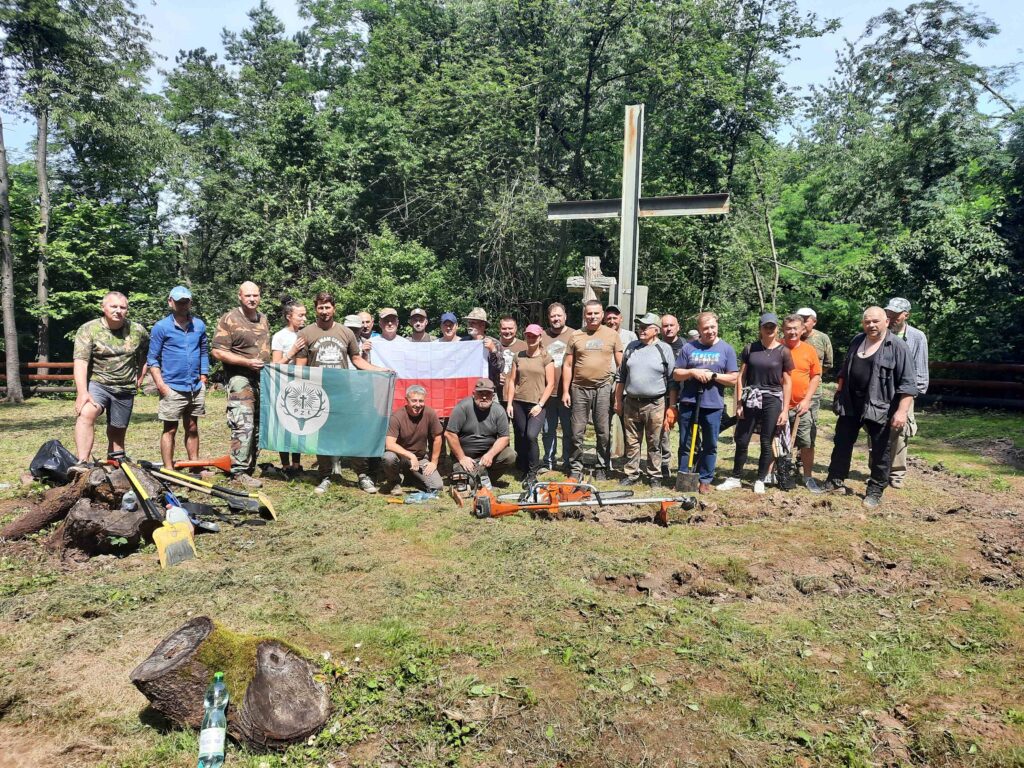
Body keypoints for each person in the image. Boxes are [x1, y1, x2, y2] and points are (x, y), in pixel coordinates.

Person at [296, 292, 390, 494]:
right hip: (318, 394)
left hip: (344, 393)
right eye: (320, 308)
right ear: (315, 309)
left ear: (334, 308)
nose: (324, 311)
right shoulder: (306, 333)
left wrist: (380, 370)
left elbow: (357, 360)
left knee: (351, 434)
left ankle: (362, 475)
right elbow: (300, 367)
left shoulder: (346, 333)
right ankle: (325, 476)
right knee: (323, 436)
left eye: (327, 307)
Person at [825, 306, 917, 508]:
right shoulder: (857, 340)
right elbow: (844, 371)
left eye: (875, 321)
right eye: (867, 321)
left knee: (880, 449)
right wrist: (839, 393)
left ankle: (875, 490)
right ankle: (835, 480)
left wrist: (901, 412)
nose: (871, 325)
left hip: (881, 406)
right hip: (850, 403)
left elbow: (909, 384)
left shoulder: (898, 347)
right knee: (841, 442)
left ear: (886, 322)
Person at [718, 313, 793, 494]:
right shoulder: (750, 348)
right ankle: (736, 477)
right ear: (760, 328)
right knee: (742, 439)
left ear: (777, 329)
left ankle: (760, 479)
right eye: (766, 326)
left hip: (772, 399)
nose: (769, 329)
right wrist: (738, 403)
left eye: (772, 326)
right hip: (751, 397)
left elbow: (788, 382)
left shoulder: (784, 352)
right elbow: (740, 378)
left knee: (766, 440)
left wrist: (785, 410)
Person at [72, 291, 149, 464]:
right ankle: (82, 462)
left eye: (122, 307)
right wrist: (82, 392)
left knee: (117, 431)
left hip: (125, 387)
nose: (118, 311)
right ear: (103, 307)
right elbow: (80, 362)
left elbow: (147, 354)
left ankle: (114, 465)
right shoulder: (88, 329)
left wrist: (140, 375)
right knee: (86, 413)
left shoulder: (137, 330)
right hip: (98, 384)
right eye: (113, 306)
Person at [670, 312, 739, 493]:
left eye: (713, 327)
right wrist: (692, 372)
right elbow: (676, 373)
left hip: (713, 405)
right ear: (699, 330)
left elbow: (733, 379)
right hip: (689, 402)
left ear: (717, 326)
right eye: (705, 328)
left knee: (710, 444)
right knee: (686, 443)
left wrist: (713, 376)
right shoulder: (689, 348)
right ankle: (684, 476)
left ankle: (705, 479)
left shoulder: (726, 349)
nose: (710, 331)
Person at [211, 281, 271, 487]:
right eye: (248, 296)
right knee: (243, 422)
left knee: (257, 423)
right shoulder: (230, 319)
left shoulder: (263, 319)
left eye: (256, 295)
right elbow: (217, 351)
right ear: (240, 296)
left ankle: (250, 466)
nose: (252, 299)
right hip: (239, 378)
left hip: (261, 379)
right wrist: (246, 362)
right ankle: (238, 471)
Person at [148, 286, 209, 471]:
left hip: (195, 387)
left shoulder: (199, 325)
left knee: (192, 427)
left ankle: (195, 466)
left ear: (190, 302)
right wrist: (161, 385)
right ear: (170, 302)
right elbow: (152, 359)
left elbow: (204, 352)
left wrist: (204, 377)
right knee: (170, 429)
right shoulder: (161, 327)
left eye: (186, 301)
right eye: (179, 301)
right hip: (172, 387)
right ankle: (169, 469)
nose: (183, 305)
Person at [562, 300, 624, 481]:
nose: (593, 316)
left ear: (602, 315)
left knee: (603, 431)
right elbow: (567, 365)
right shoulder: (576, 335)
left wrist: (618, 391)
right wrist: (565, 391)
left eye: (596, 313)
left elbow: (621, 365)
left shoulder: (611, 335)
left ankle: (602, 466)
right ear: (584, 315)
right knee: (577, 431)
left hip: (603, 387)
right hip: (579, 388)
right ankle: (576, 467)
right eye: (589, 313)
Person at [615, 313, 674, 486]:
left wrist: (672, 406)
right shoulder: (632, 347)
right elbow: (621, 376)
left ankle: (654, 475)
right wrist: (618, 400)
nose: (640, 330)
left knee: (654, 441)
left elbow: (672, 381)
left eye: (645, 327)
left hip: (655, 403)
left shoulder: (664, 349)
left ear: (655, 330)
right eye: (639, 326)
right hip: (631, 402)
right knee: (631, 440)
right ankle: (632, 473)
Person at [884, 297, 929, 489]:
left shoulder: (917, 337)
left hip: (905, 393)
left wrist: (913, 395)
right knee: (876, 430)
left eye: (895, 315)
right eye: (889, 313)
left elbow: (921, 368)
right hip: (882, 392)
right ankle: (877, 469)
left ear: (906, 315)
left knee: (901, 432)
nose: (891, 317)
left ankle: (896, 473)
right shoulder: (880, 333)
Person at [504, 323, 555, 485]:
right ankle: (524, 468)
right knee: (521, 436)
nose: (531, 338)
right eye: (528, 335)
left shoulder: (546, 358)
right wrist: (510, 403)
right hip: (519, 402)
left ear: (540, 337)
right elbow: (512, 381)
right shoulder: (518, 356)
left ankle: (533, 472)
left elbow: (551, 384)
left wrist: (540, 405)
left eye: (534, 336)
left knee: (531, 435)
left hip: (537, 404)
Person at [445, 378, 517, 487]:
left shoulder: (499, 411)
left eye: (487, 393)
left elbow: (504, 438)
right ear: (474, 394)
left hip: (487, 459)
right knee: (467, 481)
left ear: (493, 396)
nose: (484, 397)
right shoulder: (462, 407)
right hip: (466, 458)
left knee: (510, 455)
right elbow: (450, 434)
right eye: (480, 393)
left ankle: (480, 478)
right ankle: (479, 479)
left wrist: (490, 455)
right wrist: (462, 458)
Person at [781, 314, 823, 491]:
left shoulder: (809, 350)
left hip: (802, 406)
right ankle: (770, 474)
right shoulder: (776, 347)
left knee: (806, 442)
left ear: (802, 330)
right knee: (774, 441)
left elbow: (816, 376)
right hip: (779, 405)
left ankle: (807, 477)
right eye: (788, 328)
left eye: (795, 328)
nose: (792, 332)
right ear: (783, 329)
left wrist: (806, 400)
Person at [380, 385, 444, 495]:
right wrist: (411, 455)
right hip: (400, 458)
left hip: (420, 459)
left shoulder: (430, 413)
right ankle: (394, 482)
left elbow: (438, 438)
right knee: (388, 457)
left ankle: (411, 477)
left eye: (421, 401)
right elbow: (389, 444)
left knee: (437, 487)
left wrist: (434, 462)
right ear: (406, 400)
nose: (418, 405)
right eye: (414, 401)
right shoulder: (397, 416)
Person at [271, 299, 308, 474]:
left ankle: (296, 463)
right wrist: (291, 352)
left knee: (299, 422)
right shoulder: (279, 336)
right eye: (300, 315)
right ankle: (285, 464)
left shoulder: (306, 333)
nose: (304, 318)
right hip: (283, 385)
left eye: (305, 315)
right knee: (284, 423)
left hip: (301, 385)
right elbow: (275, 364)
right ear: (289, 316)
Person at [539, 302, 575, 473]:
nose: (556, 319)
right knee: (548, 429)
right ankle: (548, 461)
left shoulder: (575, 335)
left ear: (565, 316)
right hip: (547, 392)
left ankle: (568, 461)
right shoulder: (542, 336)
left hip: (568, 392)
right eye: (553, 316)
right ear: (549, 318)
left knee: (568, 430)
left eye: (559, 315)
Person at [658, 314, 685, 480]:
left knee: (686, 433)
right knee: (663, 432)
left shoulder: (687, 346)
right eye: (665, 326)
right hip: (662, 394)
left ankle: (687, 465)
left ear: (678, 327)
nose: (668, 328)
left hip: (685, 396)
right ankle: (664, 464)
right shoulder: (656, 346)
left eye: (671, 325)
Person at [464, 307, 501, 387]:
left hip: (488, 390)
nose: (469, 325)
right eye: (469, 322)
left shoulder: (494, 343)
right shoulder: (463, 342)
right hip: (467, 387)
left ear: (482, 325)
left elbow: (499, 368)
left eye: (473, 322)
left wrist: (493, 350)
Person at [497, 316, 526, 401]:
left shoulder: (524, 347)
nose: (507, 331)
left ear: (516, 329)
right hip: (497, 396)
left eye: (510, 328)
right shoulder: (493, 345)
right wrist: (494, 377)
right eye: (504, 328)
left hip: (517, 397)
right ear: (500, 329)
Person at [797, 307, 834, 372]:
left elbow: (828, 363)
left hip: (814, 380)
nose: (801, 324)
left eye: (805, 321)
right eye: (799, 321)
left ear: (814, 322)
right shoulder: (790, 337)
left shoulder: (822, 338)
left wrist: (816, 375)